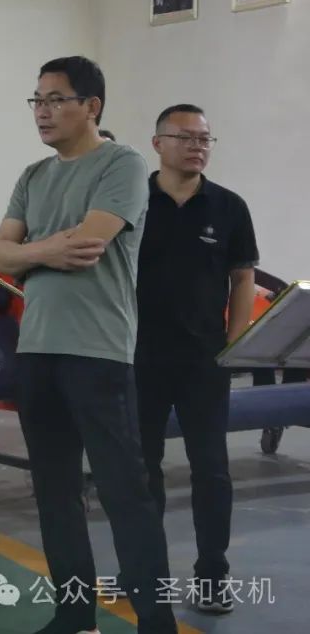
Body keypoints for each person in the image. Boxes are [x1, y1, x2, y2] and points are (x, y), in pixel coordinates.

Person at [0, 56, 176, 634]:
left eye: (55, 100)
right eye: (37, 100)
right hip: (37, 348)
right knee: (54, 490)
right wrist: (45, 250)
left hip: (98, 350)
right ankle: (74, 616)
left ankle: (156, 622)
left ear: (91, 106)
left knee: (125, 492)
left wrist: (27, 253)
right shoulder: (33, 176)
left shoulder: (122, 164)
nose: (42, 112)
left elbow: (88, 246)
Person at [133, 105, 257, 615]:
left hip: (204, 361)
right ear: (158, 143)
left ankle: (212, 575)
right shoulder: (130, 202)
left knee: (212, 471)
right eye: (185, 137)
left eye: (205, 138)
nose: (197, 146)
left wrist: (234, 345)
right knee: (142, 471)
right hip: (137, 358)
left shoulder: (228, 206)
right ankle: (146, 572)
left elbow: (242, 276)